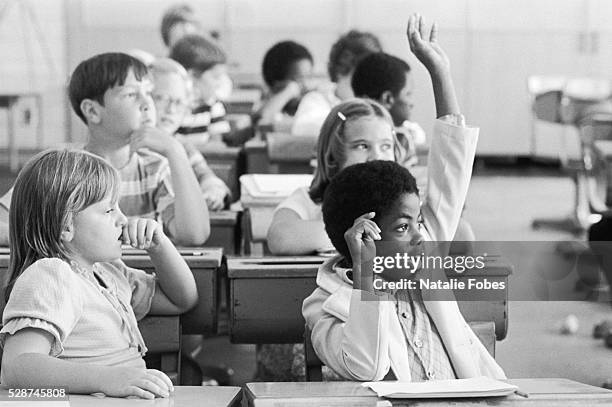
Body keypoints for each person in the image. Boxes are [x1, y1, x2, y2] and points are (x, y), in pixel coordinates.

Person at [302, 14, 505, 381]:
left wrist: (440, 72)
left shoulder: (423, 256)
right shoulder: (324, 304)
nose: (418, 237)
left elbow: (451, 171)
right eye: (402, 226)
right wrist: (368, 275)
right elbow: (367, 366)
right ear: (365, 237)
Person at [0, 149, 198, 398]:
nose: (124, 219)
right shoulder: (52, 275)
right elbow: (16, 368)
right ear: (66, 226)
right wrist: (109, 378)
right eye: (109, 210)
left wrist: (159, 246)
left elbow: (181, 299)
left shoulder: (108, 273)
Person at [0, 53, 209, 246]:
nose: (147, 103)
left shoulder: (154, 168)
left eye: (148, 93)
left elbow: (194, 235)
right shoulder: (59, 169)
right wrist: (59, 238)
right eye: (130, 95)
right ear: (92, 111)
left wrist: (175, 151)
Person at [351, 51, 476, 247]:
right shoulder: (332, 210)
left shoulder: (422, 229)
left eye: (386, 146)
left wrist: (440, 73)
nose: (376, 155)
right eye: (361, 146)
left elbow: (451, 164)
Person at [150, 57, 231, 210]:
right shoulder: (126, 147)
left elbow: (206, 176)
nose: (171, 110)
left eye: (179, 102)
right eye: (162, 99)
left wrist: (213, 191)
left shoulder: (182, 146)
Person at [291, 30, 382, 136]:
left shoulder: (380, 103)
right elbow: (303, 128)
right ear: (340, 72)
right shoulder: (317, 99)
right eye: (361, 75)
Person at [170, 34, 233, 144]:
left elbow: (217, 147)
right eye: (215, 77)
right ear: (191, 77)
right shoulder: (171, 108)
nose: (219, 84)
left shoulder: (213, 106)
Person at [255, 40, 314, 128]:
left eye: (309, 77)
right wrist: (290, 91)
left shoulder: (311, 103)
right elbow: (262, 118)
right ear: (277, 83)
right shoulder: (268, 107)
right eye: (298, 80)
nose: (306, 85)